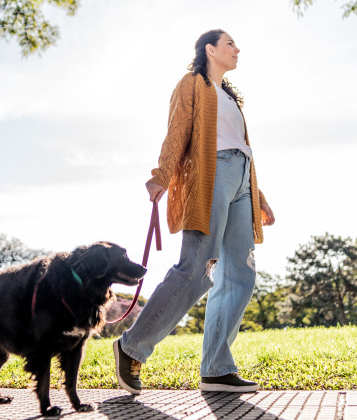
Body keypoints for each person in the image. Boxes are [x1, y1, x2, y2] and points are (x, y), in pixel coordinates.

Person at [114, 29, 275, 394]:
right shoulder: (191, 84)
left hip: (242, 182)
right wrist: (162, 175)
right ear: (210, 49)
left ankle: (217, 369)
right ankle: (131, 347)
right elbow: (177, 132)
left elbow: (241, 148)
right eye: (230, 43)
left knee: (240, 275)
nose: (237, 49)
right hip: (210, 176)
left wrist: (259, 195)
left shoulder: (230, 98)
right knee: (197, 269)